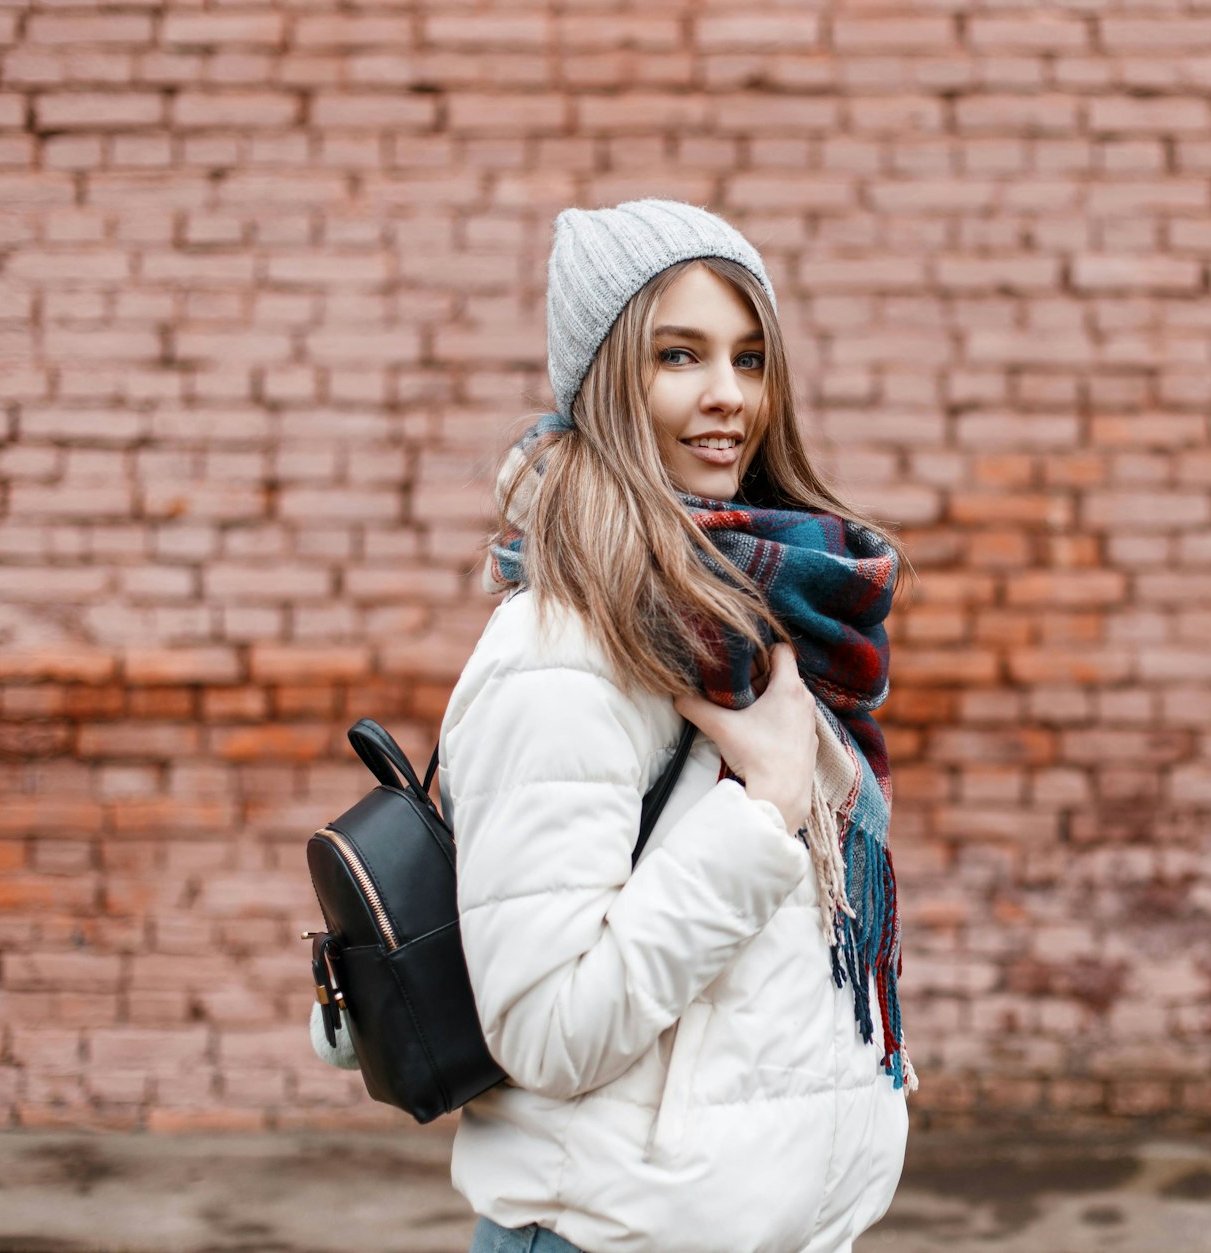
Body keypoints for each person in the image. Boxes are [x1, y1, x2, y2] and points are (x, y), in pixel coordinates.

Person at [310, 199, 913, 1253]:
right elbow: (548, 1026)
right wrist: (762, 812)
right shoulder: (562, 647)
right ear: (604, 379)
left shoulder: (764, 616)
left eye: (749, 357)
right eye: (678, 355)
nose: (727, 394)